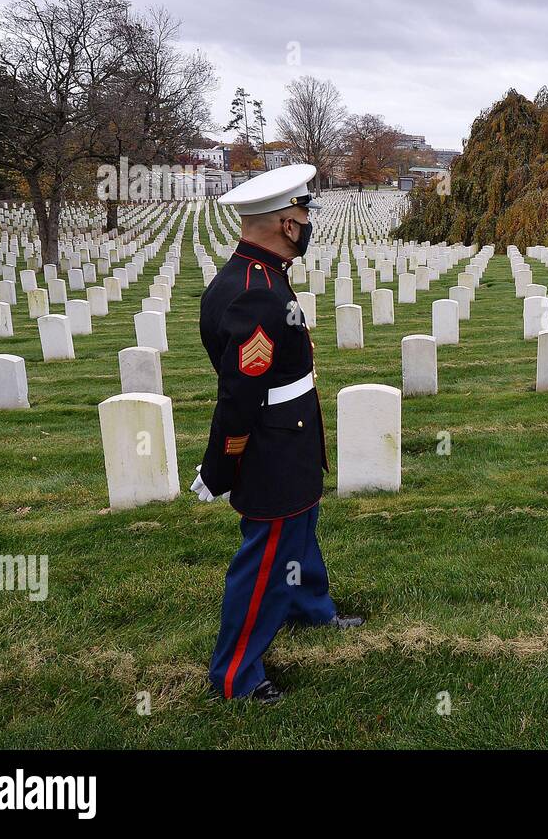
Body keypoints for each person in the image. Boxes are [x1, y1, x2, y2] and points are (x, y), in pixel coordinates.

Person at [191, 164, 362, 703]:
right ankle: (236, 675)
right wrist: (222, 464)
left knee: (301, 530)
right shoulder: (255, 293)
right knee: (266, 557)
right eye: (304, 214)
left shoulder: (257, 274)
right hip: (271, 445)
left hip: (292, 432)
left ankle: (311, 608)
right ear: (288, 224)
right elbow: (239, 396)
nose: (308, 223)